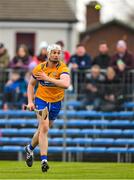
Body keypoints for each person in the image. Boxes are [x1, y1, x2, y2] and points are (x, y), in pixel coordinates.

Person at [24, 44, 70, 172]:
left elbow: (66, 84)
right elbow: (31, 85)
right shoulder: (39, 68)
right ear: (48, 54)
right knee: (44, 128)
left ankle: (29, 149)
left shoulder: (62, 68)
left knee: (41, 131)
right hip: (41, 100)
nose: (56, 54)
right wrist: (30, 102)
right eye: (53, 52)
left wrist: (47, 78)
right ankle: (44, 160)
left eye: (58, 52)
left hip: (56, 102)